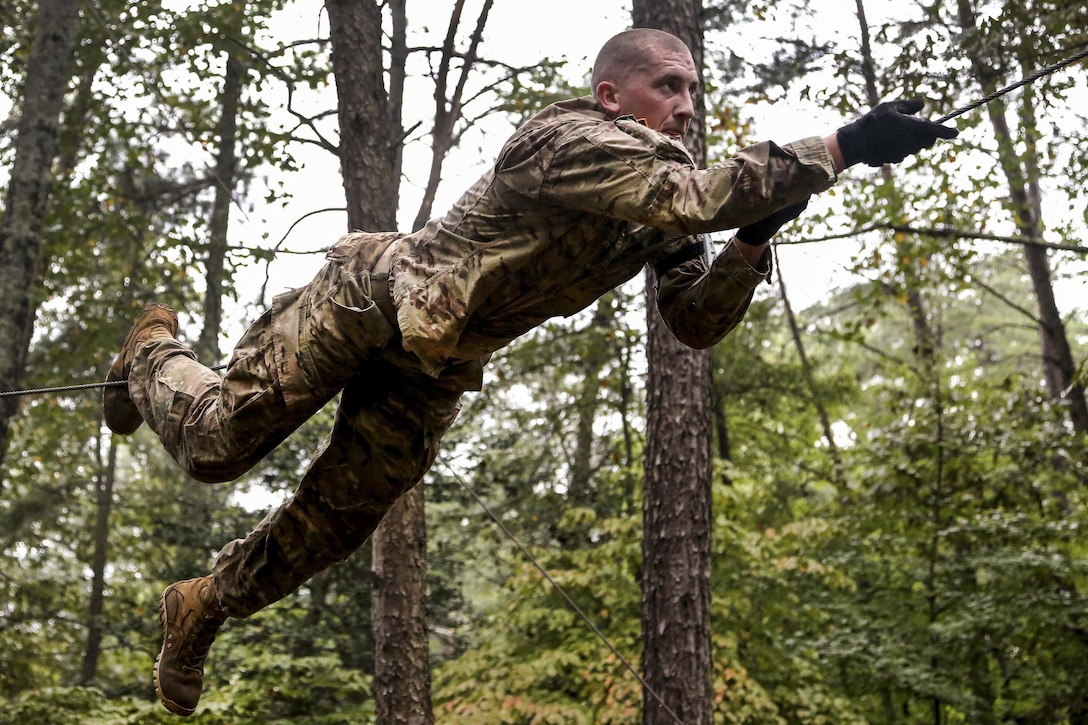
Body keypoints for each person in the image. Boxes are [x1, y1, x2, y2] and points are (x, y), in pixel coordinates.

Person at [102, 28, 957, 717]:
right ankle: (148, 353)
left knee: (338, 519)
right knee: (217, 444)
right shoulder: (567, 139)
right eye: (670, 86)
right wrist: (846, 144)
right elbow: (695, 195)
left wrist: (753, 238)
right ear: (612, 94)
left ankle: (203, 604)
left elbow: (693, 320)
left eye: (694, 91)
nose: (688, 107)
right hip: (374, 296)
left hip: (435, 363)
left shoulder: (659, 195)